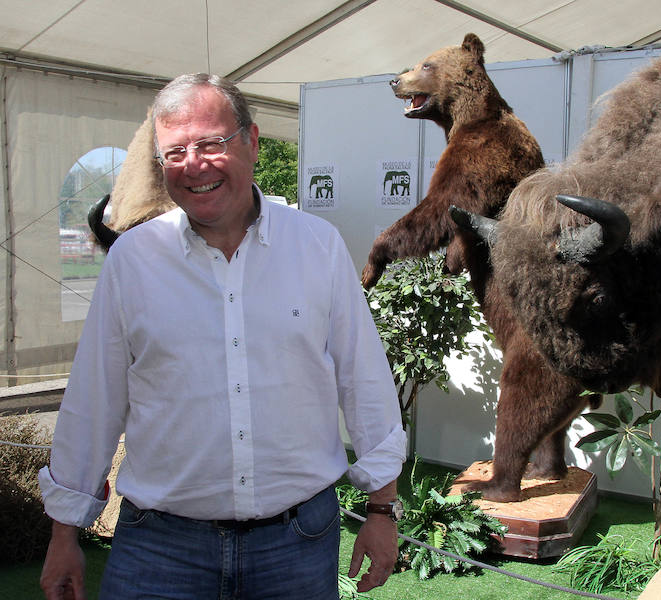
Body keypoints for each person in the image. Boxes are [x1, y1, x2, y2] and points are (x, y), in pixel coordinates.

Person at [38, 74, 406, 599]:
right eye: (175, 152)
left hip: (296, 544)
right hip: (160, 548)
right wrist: (63, 534)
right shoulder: (132, 260)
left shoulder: (317, 247)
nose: (194, 165)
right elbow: (93, 402)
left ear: (252, 143)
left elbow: (364, 382)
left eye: (211, 143)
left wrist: (381, 509)